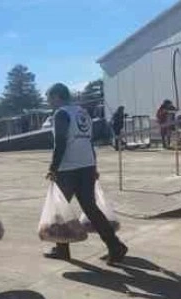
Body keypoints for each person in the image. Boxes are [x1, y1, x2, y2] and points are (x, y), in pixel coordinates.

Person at [44, 83, 128, 263]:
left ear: (57, 96)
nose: (49, 102)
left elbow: (60, 142)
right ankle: (115, 245)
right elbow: (89, 141)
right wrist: (94, 166)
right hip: (87, 165)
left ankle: (62, 249)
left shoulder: (61, 114)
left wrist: (53, 167)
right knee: (91, 208)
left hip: (68, 168)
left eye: (49, 98)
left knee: (60, 209)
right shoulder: (82, 113)